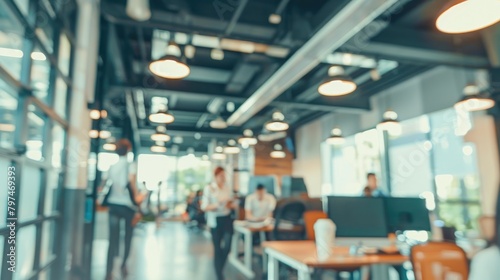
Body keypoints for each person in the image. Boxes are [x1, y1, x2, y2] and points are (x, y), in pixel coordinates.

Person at [102, 139, 146, 280]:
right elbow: (132, 186)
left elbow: (104, 184)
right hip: (128, 207)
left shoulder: (111, 166)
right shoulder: (130, 166)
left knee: (112, 239)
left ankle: (108, 270)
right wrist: (138, 202)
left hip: (113, 205)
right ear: (128, 150)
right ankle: (123, 266)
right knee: (128, 237)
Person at [201, 167, 238, 280]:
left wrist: (231, 205)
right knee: (217, 249)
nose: (223, 178)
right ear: (216, 176)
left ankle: (219, 269)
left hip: (226, 218)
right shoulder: (210, 188)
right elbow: (204, 207)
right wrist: (218, 204)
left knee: (227, 247)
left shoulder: (227, 188)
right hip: (215, 221)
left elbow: (229, 203)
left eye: (224, 175)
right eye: (221, 176)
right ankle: (219, 276)